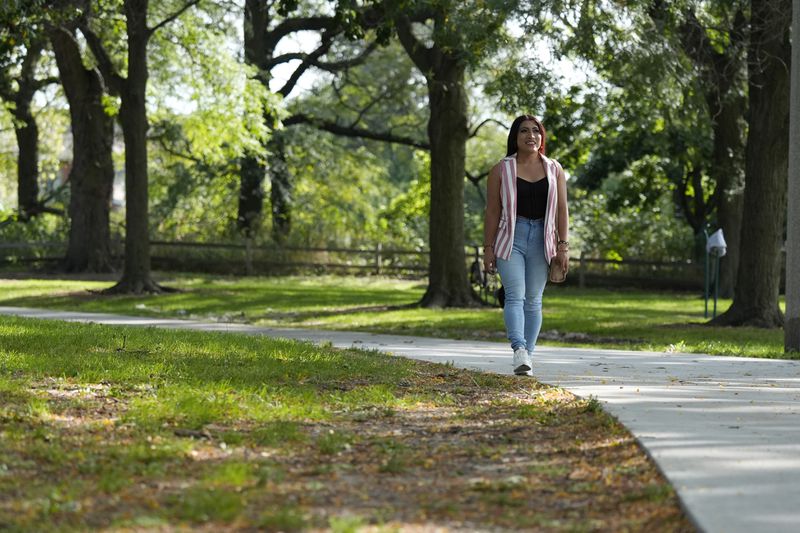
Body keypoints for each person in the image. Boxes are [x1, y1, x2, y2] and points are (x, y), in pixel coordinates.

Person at [483, 115, 569, 376]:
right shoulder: (501, 169)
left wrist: (563, 246)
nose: (530, 136)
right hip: (512, 237)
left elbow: (562, 210)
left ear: (541, 137)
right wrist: (488, 249)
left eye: (536, 131)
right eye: (524, 131)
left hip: (544, 239)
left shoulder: (554, 169)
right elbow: (492, 212)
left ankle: (526, 358)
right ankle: (519, 349)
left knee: (533, 300)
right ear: (515, 137)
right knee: (515, 296)